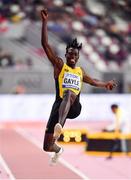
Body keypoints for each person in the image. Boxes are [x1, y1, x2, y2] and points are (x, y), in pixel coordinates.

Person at [41, 8, 117, 165]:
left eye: (75, 55)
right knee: (47, 147)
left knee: (69, 93)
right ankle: (58, 149)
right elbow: (45, 44)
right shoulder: (60, 66)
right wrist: (44, 22)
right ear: (65, 55)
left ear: (78, 56)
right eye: (70, 54)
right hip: (59, 106)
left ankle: (59, 127)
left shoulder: (80, 72)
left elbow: (94, 81)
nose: (72, 57)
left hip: (74, 107)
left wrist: (105, 84)